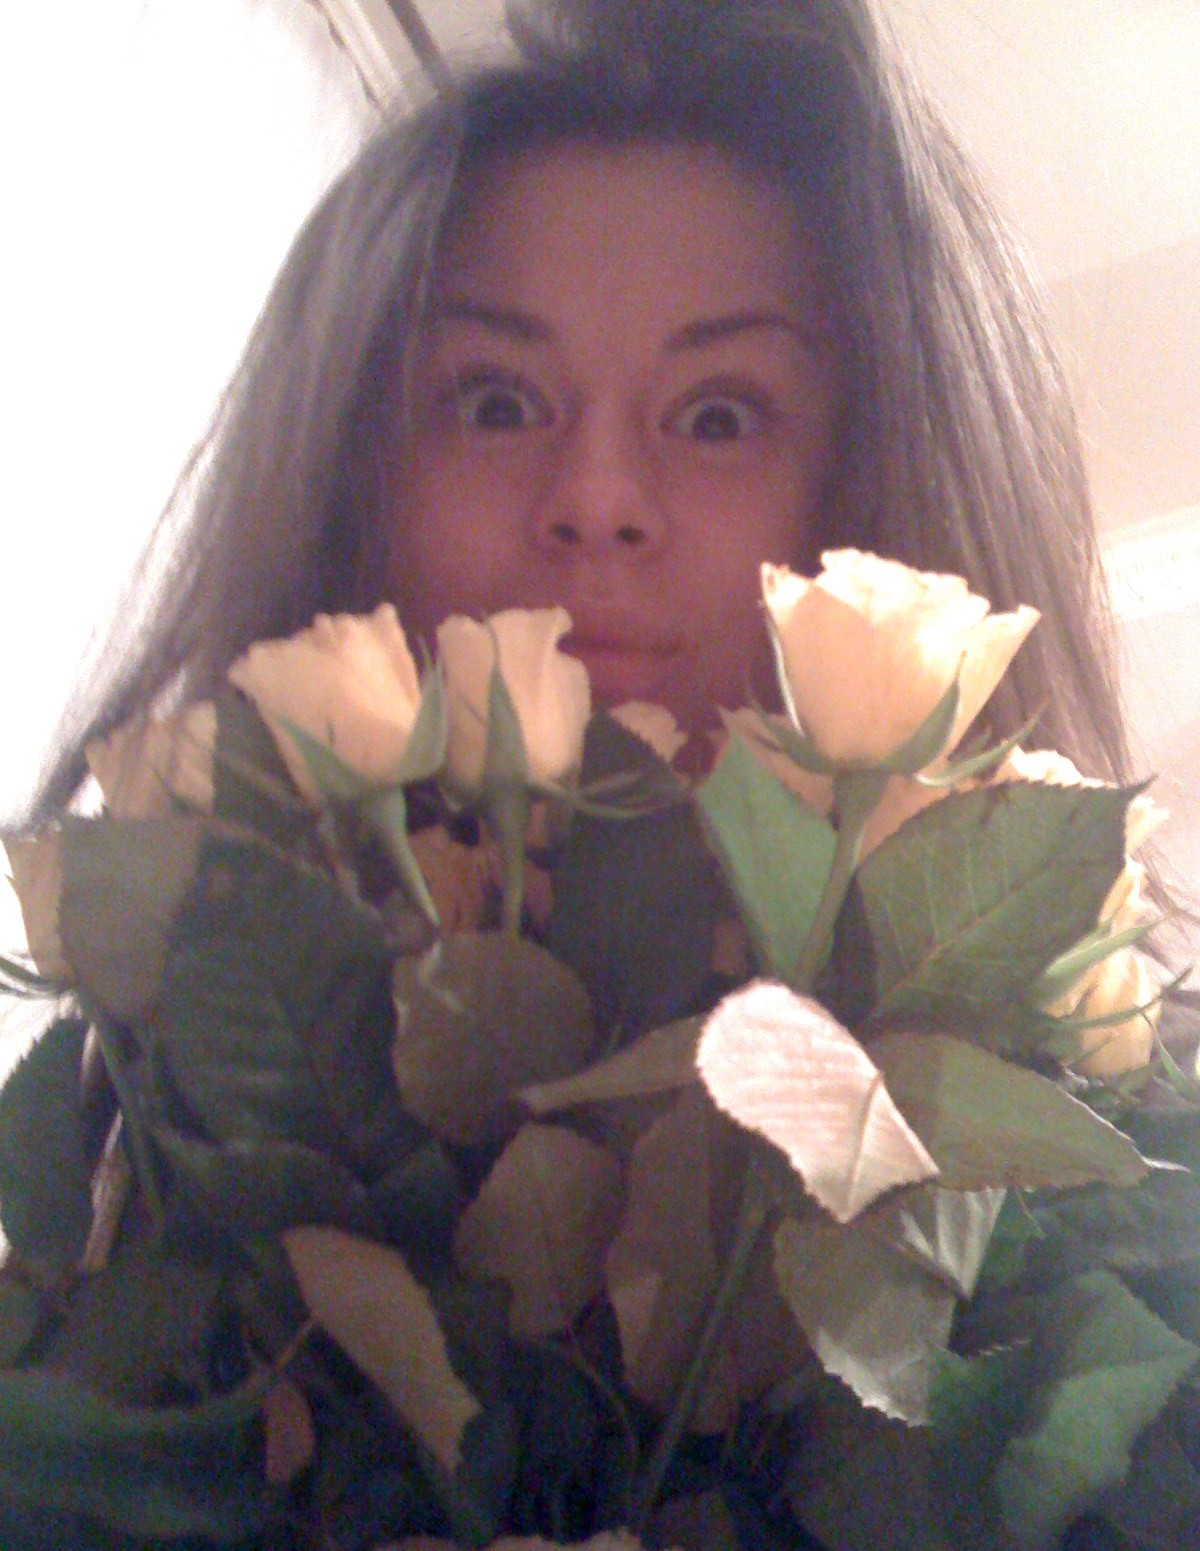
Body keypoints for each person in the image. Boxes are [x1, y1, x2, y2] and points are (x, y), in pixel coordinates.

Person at [18, 0, 1129, 828]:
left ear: (886, 497)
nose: (596, 499)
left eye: (719, 418)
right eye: (497, 404)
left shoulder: (1130, 1081)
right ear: (343, 482)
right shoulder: (152, 1066)